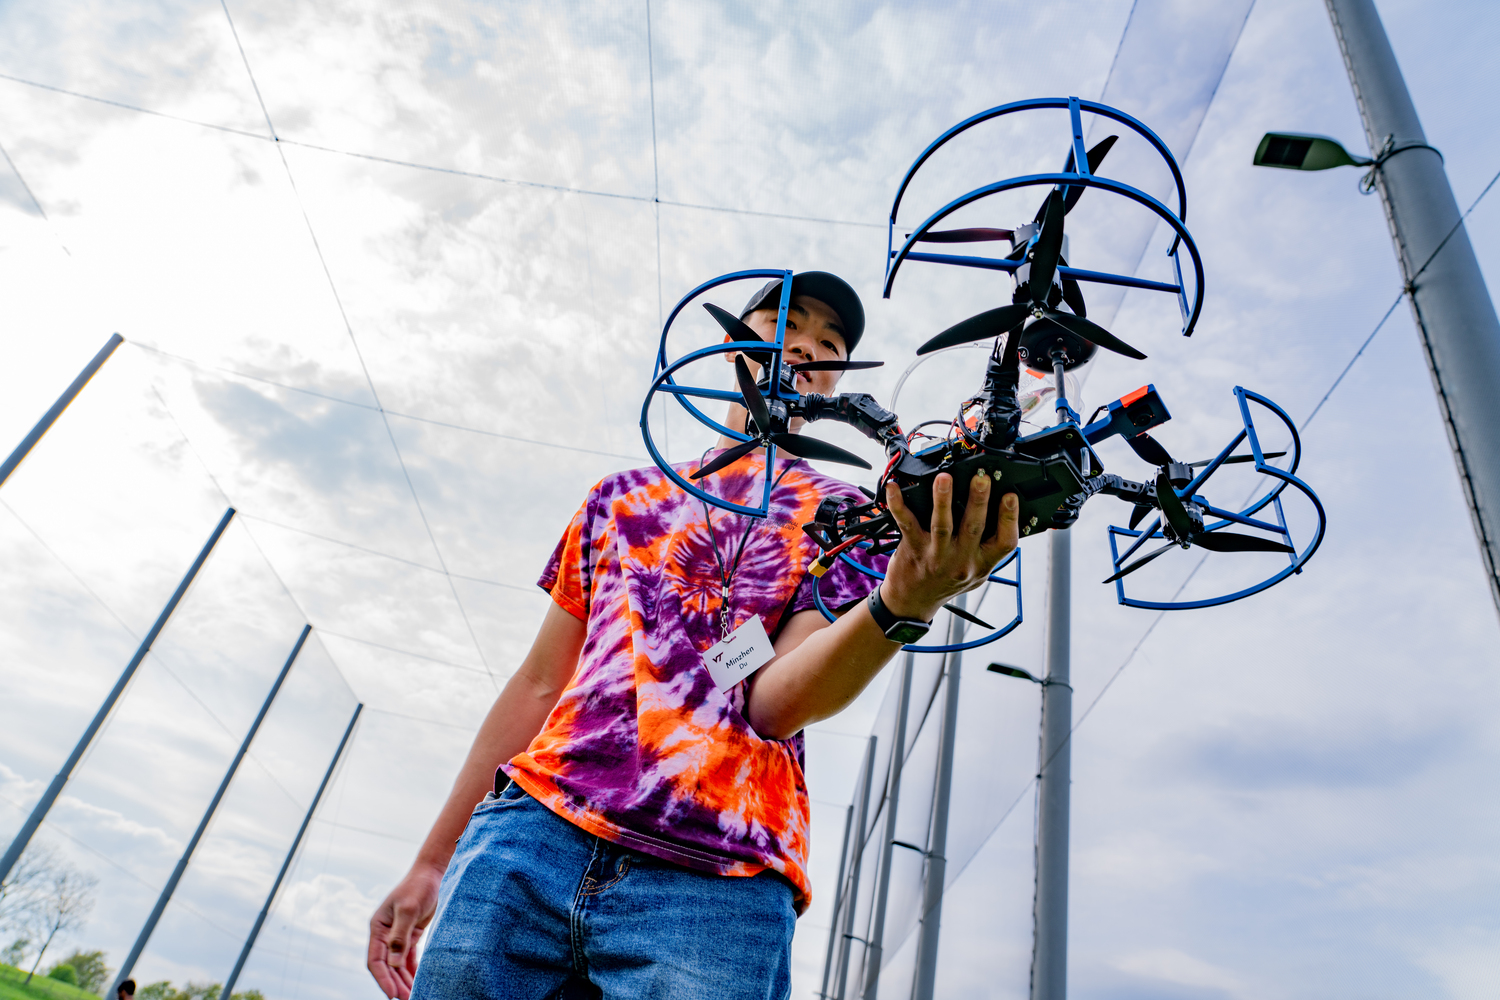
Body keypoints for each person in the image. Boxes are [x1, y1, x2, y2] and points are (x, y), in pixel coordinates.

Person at [367, 271, 1019, 1000]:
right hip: (531, 840)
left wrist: (905, 600)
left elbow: (773, 703)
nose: (803, 347)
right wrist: (432, 860)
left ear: (839, 379)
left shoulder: (848, 515)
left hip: (716, 871)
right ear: (729, 345)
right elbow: (540, 684)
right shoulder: (619, 499)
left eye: (828, 345)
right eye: (785, 323)